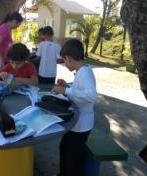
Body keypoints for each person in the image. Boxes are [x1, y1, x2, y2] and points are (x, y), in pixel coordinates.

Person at [51, 39, 98, 176]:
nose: (64, 64)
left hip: (81, 125)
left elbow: (92, 95)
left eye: (64, 60)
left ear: (69, 59)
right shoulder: (83, 70)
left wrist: (66, 91)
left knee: (69, 155)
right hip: (80, 123)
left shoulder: (84, 72)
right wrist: (67, 86)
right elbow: (81, 91)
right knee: (66, 149)